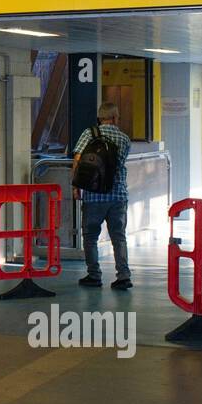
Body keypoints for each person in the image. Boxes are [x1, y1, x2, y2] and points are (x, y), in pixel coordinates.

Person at [72, 101, 133, 289]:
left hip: (93, 195)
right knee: (118, 237)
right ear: (115, 118)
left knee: (90, 237)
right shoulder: (124, 138)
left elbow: (77, 160)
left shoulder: (88, 134)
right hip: (118, 195)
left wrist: (76, 187)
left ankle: (94, 275)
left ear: (100, 118)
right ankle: (123, 276)